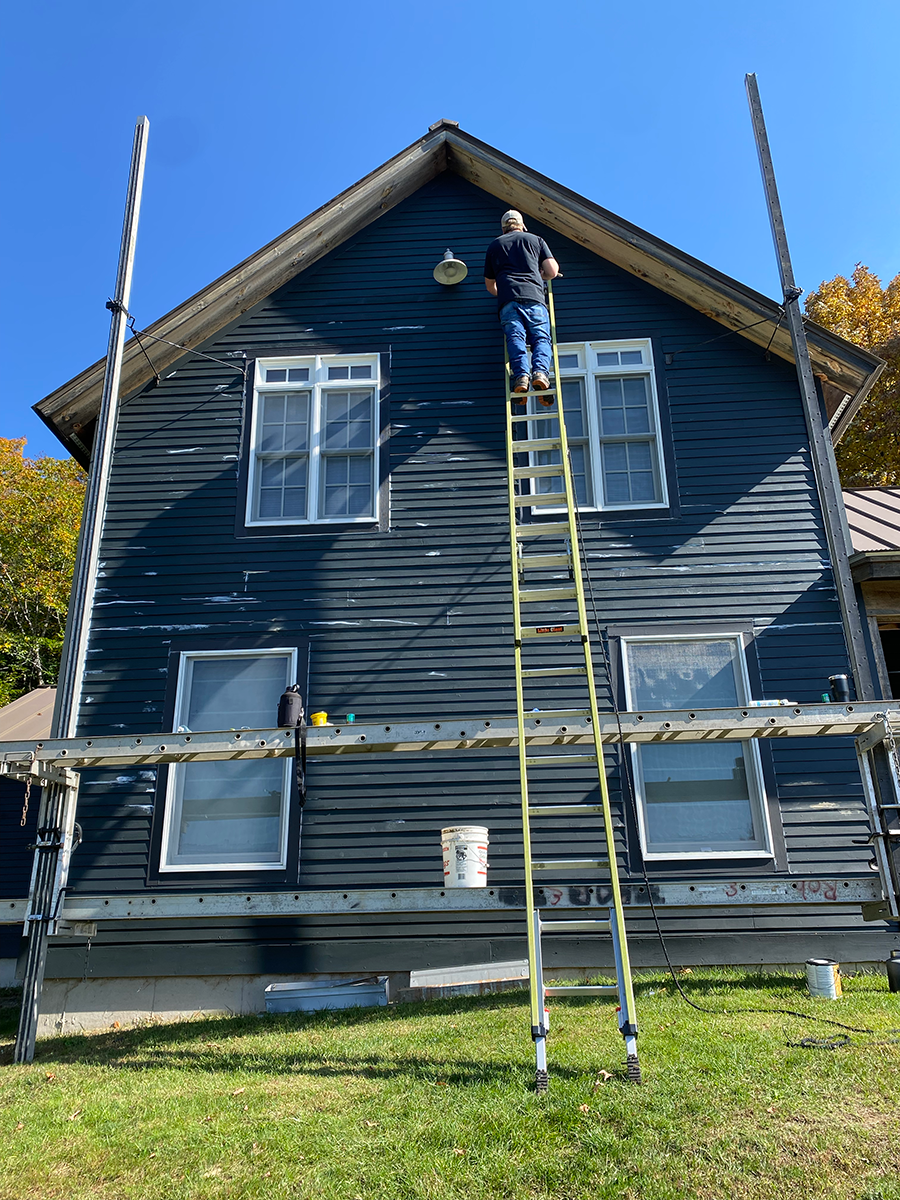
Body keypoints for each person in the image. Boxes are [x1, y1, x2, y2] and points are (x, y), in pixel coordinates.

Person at [484, 210, 560, 403]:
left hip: (509, 301)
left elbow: (489, 286)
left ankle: (521, 377)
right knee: (541, 338)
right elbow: (552, 271)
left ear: (503, 228)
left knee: (515, 338)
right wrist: (539, 274)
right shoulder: (535, 240)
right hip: (534, 298)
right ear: (521, 225)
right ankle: (540, 374)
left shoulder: (495, 245)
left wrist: (504, 291)